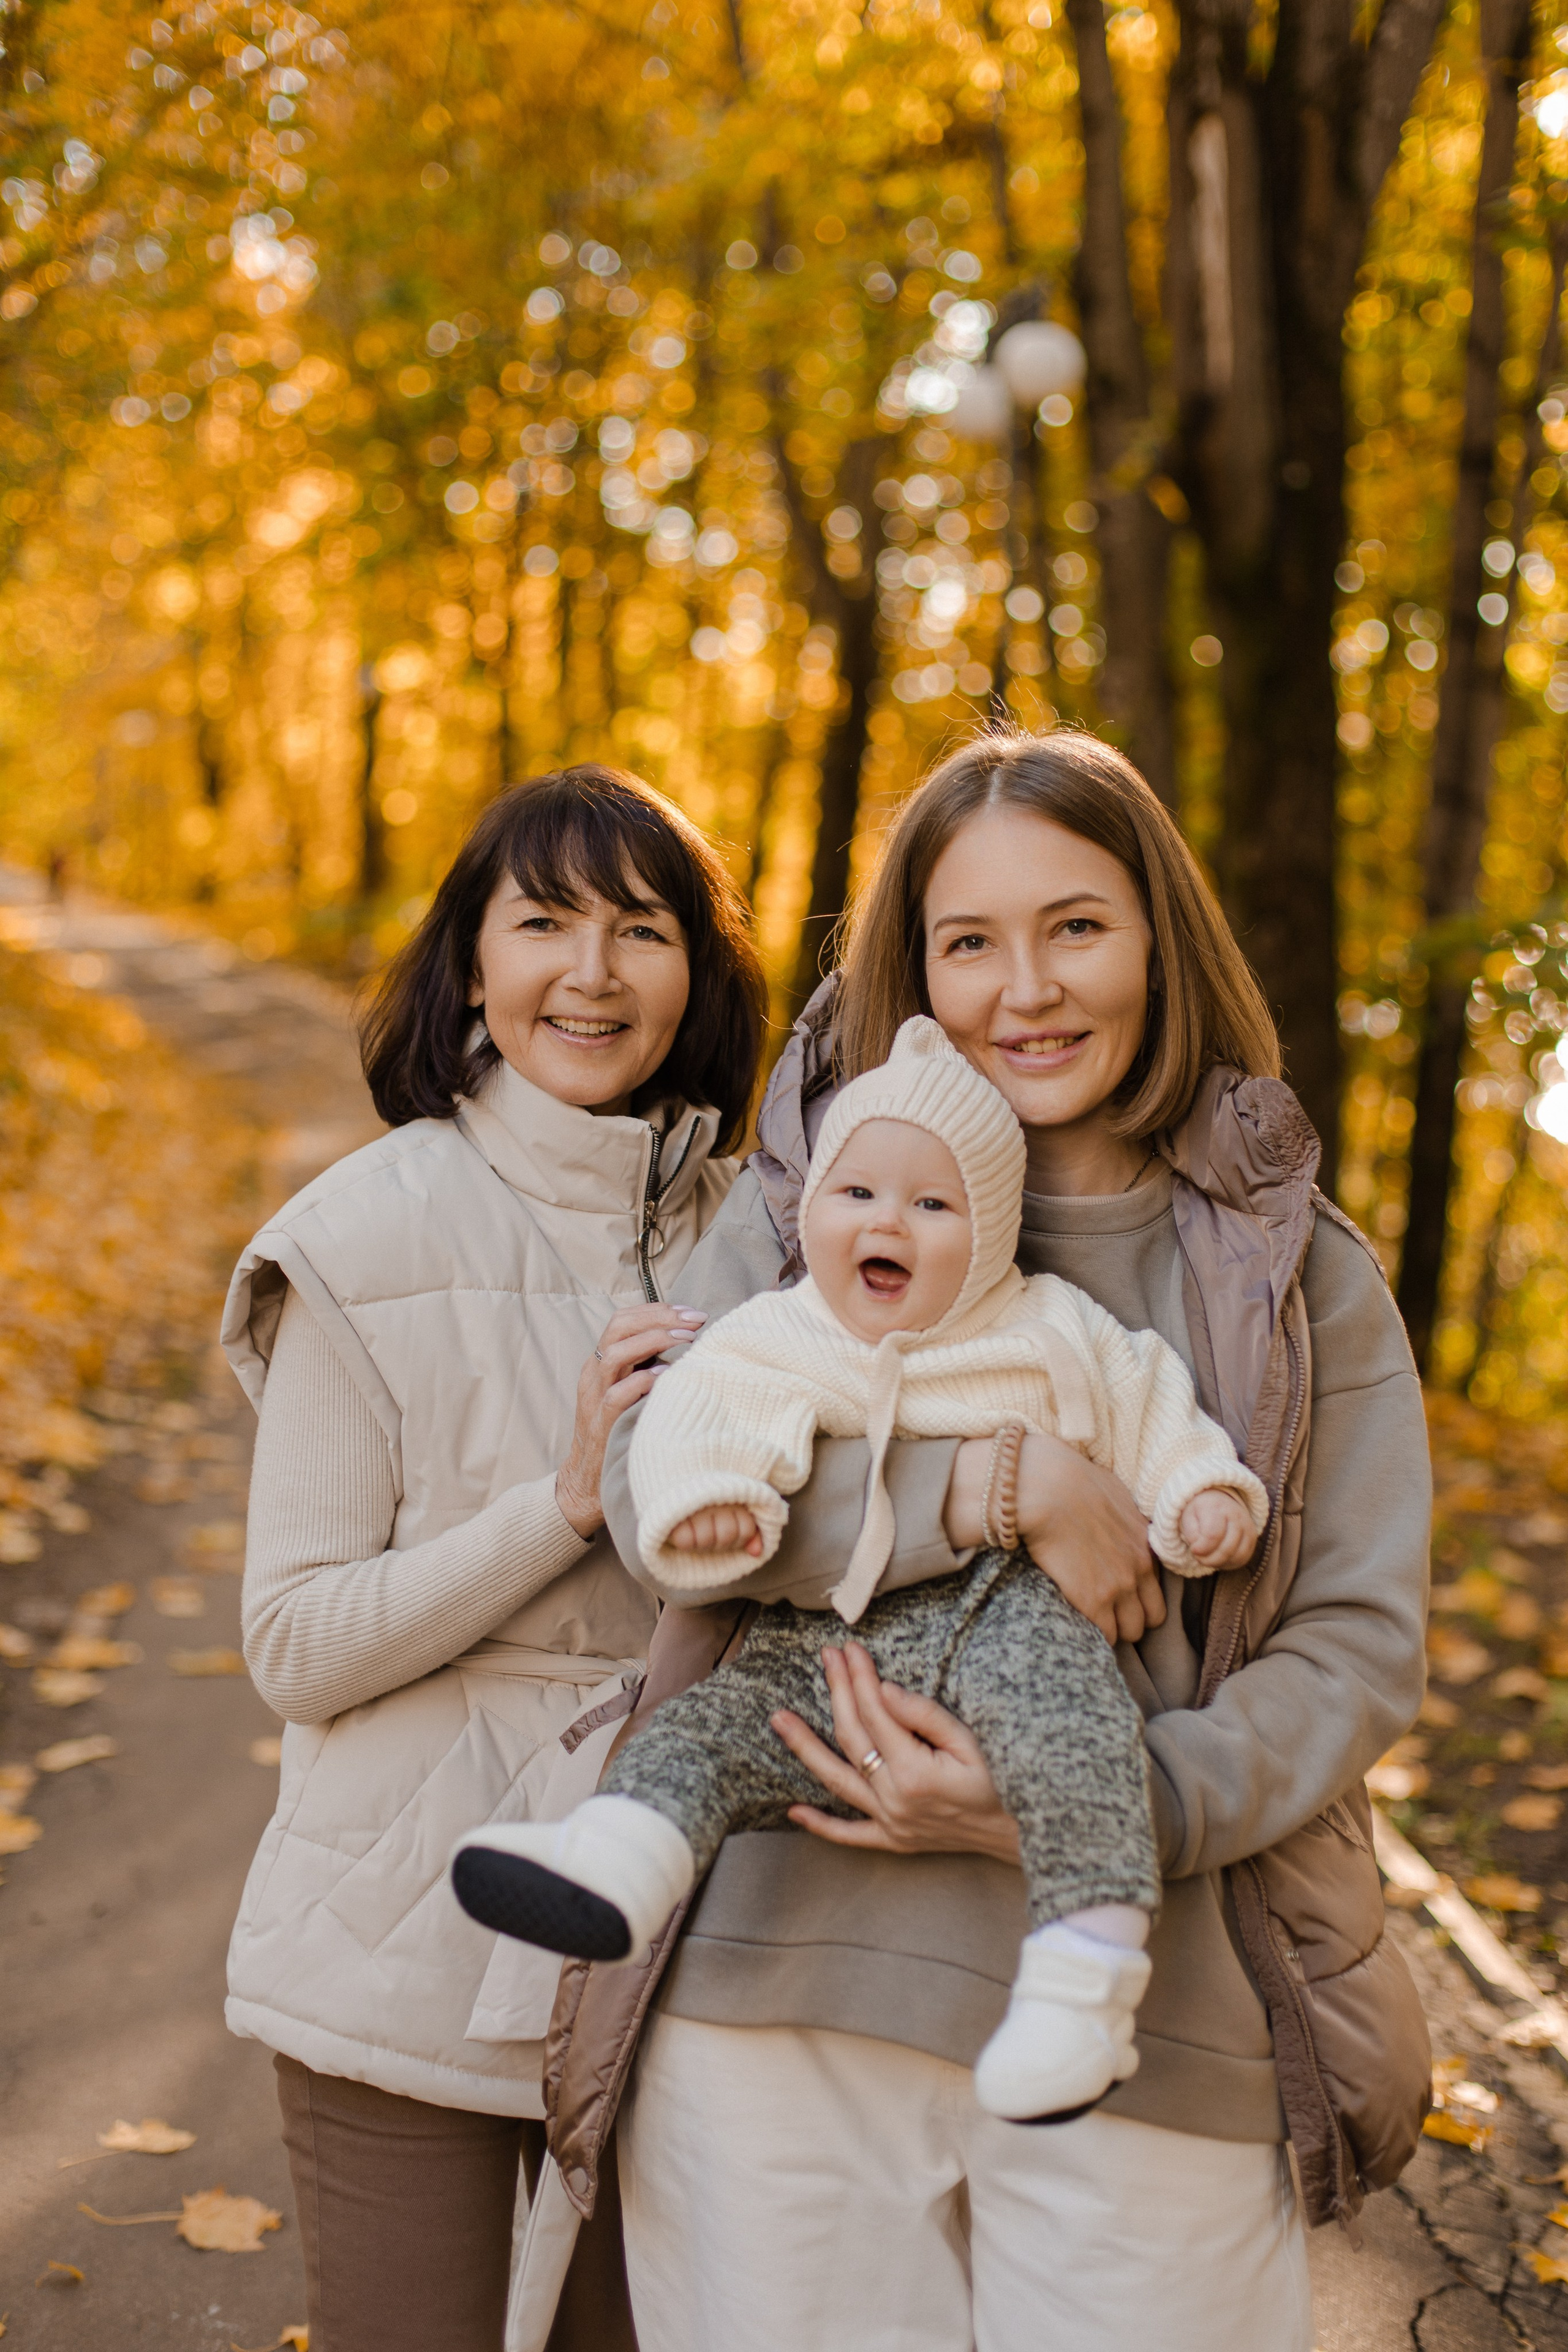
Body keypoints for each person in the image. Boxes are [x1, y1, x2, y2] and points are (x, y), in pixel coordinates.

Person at [562, 726, 1430, 2352]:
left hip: (1149, 2020)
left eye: (1077, 928)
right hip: (775, 1982)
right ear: (919, 970)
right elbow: (657, 1491)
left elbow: (1359, 1650)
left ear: (1159, 941)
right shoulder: (804, 1204)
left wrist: (1083, 1805)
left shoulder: (1297, 1278)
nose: (1025, 989)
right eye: (972, 942)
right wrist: (979, 1488)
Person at [454, 1014, 1266, 2123]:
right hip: (824, 1637)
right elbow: (704, 1413)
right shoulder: (782, 1331)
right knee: (713, 1728)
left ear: (987, 1236)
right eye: (857, 1195)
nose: (888, 1222)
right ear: (818, 1206)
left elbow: (1147, 1400)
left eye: (933, 1206)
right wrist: (716, 1501)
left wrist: (1199, 1495)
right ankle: (622, 1860)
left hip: (1012, 1614)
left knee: (1078, 1739)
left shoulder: (1047, 1323)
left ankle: (1084, 1982)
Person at [218, 766, 766, 2352]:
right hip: (408, 1944)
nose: (591, 974)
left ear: (697, 969)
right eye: (544, 923)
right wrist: (566, 1502)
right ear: (472, 963)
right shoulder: (364, 1235)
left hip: (700, 1943)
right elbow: (296, 1643)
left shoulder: (773, 1235)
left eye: (640, 930)